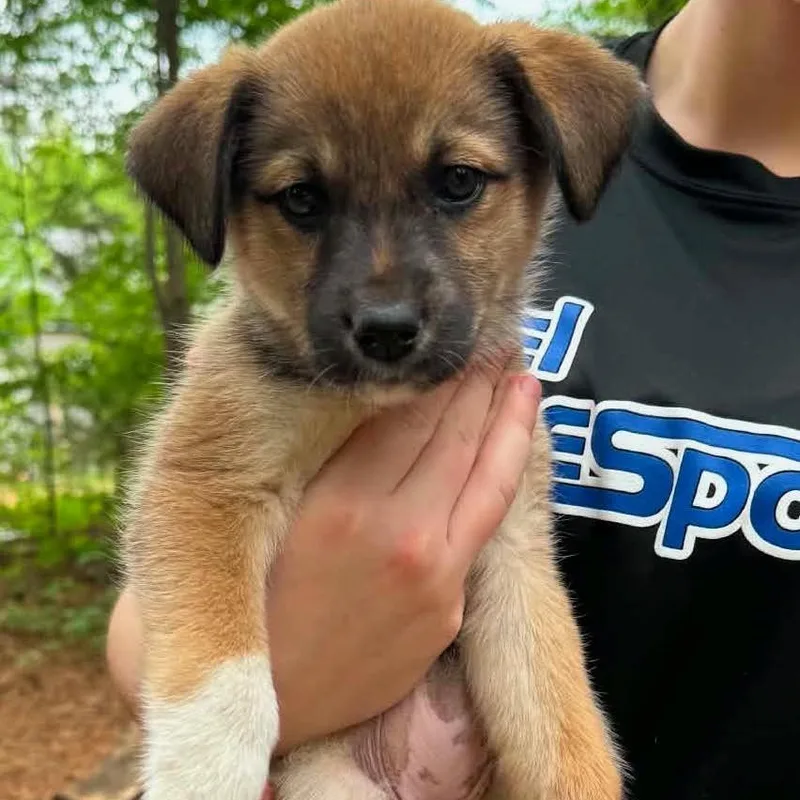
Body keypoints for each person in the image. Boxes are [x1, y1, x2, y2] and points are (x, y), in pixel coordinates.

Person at [107, 0, 800, 797]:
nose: (385, 302)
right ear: (222, 206)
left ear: (550, 174)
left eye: (457, 184)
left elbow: (521, 608)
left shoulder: (546, 106)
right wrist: (218, 741)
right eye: (303, 200)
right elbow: (187, 523)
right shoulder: (256, 367)